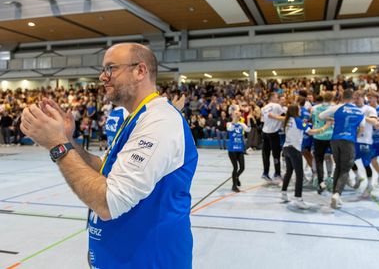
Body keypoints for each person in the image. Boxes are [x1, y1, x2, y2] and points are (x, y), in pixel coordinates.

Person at [21, 43, 198, 268]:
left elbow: (109, 202)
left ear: (140, 71)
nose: (102, 77)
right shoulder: (136, 117)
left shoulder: (159, 122)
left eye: (110, 68)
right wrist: (68, 140)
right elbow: (106, 168)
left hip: (150, 261)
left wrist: (58, 145)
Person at [319, 89, 365, 209]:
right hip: (349, 140)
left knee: (338, 167)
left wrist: (332, 120)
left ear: (342, 97)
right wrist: (355, 136)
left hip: (335, 140)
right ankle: (337, 194)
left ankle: (335, 195)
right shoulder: (360, 111)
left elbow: (320, 116)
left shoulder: (337, 107)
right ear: (353, 97)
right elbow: (362, 129)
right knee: (345, 169)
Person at [281, 104, 331, 209]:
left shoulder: (288, 120)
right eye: (299, 109)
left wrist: (309, 122)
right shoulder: (298, 120)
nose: (301, 111)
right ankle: (298, 199)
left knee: (289, 171)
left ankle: (284, 193)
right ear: (296, 111)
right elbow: (311, 132)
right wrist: (326, 126)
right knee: (299, 175)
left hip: (286, 148)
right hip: (294, 149)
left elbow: (303, 124)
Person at [352, 91, 379, 198]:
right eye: (354, 98)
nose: (356, 100)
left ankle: (369, 185)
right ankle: (357, 177)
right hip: (353, 140)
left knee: (366, 164)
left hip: (366, 141)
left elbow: (374, 122)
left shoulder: (369, 109)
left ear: (363, 98)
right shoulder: (352, 108)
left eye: (358, 98)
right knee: (349, 161)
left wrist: (362, 117)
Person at [311, 92, 334, 194]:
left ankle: (321, 183)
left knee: (319, 160)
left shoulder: (314, 108)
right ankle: (332, 179)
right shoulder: (334, 108)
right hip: (331, 136)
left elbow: (312, 120)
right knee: (334, 158)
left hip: (318, 136)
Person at [261, 92, 285, 181]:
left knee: (265, 154)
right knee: (276, 154)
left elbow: (265, 119)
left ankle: (265, 173)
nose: (278, 98)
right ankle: (277, 173)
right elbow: (284, 117)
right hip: (273, 133)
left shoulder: (263, 108)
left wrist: (273, 117)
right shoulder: (277, 106)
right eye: (276, 97)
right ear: (272, 98)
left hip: (265, 132)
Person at [227, 110, 251, 192]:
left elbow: (248, 130)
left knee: (242, 167)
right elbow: (230, 129)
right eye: (235, 114)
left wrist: (249, 120)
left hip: (240, 149)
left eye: (238, 114)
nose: (237, 115)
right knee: (235, 167)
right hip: (232, 149)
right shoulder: (229, 124)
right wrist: (235, 120)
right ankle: (234, 186)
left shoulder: (241, 124)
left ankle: (236, 177)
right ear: (232, 115)